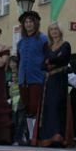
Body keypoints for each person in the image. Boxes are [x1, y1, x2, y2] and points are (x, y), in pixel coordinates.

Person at [34, 22, 73, 148]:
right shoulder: (49, 48)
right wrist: (50, 61)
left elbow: (63, 59)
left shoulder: (65, 45)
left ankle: (58, 135)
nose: (54, 31)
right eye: (51, 29)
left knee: (58, 107)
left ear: (60, 30)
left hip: (59, 81)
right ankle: (47, 136)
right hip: (49, 82)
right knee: (48, 108)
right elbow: (42, 65)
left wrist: (50, 61)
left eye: (56, 29)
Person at [16, 10, 48, 139]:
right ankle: (30, 136)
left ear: (36, 23)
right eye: (26, 22)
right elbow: (19, 60)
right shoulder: (20, 43)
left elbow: (47, 58)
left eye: (30, 22)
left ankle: (36, 135)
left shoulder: (43, 39)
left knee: (35, 107)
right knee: (27, 107)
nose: (28, 24)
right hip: (23, 80)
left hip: (37, 78)